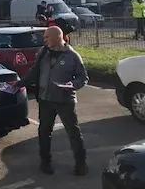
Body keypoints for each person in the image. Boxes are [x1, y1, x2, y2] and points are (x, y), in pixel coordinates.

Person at [13, 26, 89, 176]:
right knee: (44, 132)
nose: (45, 39)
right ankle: (45, 162)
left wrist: (72, 85)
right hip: (45, 99)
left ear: (57, 37)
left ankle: (81, 164)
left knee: (73, 133)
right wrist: (19, 83)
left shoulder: (72, 55)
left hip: (65, 100)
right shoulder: (43, 53)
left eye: (47, 37)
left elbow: (83, 77)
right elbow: (34, 72)